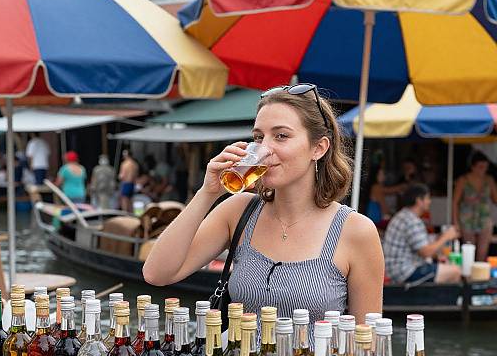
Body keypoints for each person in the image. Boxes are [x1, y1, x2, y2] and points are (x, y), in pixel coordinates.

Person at [143, 84, 384, 331]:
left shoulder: (355, 231)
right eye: (259, 137)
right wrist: (207, 193)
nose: (264, 149)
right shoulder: (238, 211)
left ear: (318, 148)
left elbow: (369, 341)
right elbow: (157, 273)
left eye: (281, 136)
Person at [384, 183, 461, 284]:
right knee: (455, 271)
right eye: (428, 198)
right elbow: (426, 252)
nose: (430, 201)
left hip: (395, 270)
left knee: (444, 266)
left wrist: (437, 255)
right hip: (404, 272)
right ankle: (441, 300)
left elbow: (421, 249)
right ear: (419, 201)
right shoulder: (411, 220)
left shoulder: (404, 215)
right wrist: (446, 236)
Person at [453, 151, 497, 262]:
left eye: (485, 167)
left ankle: (480, 278)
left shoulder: (489, 180)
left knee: (482, 253)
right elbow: (455, 203)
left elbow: (495, 199)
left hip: (484, 219)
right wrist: (456, 222)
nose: (483, 170)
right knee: (468, 252)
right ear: (473, 167)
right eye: (480, 167)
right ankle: (469, 277)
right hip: (467, 219)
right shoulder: (463, 180)